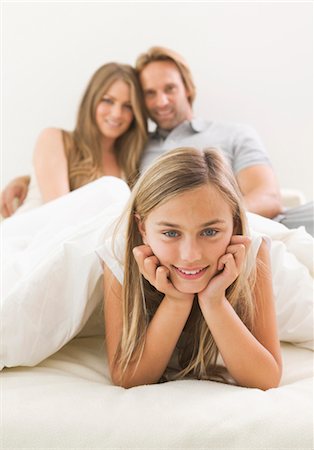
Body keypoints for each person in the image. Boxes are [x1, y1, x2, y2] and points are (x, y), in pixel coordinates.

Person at [1, 47, 313, 237]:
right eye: (149, 93)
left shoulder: (234, 134)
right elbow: (88, 184)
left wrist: (210, 226)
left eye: (170, 89)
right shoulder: (136, 149)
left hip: (252, 226)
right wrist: (29, 178)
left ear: (187, 88)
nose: (161, 101)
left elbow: (269, 198)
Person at [98, 146, 282, 390]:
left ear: (235, 225)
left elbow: (266, 379)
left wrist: (214, 301)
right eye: (171, 233)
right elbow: (128, 377)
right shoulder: (120, 253)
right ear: (142, 229)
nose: (191, 255)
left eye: (209, 232)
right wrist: (177, 300)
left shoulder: (252, 250)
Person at [0, 62, 147, 216]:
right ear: (91, 101)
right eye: (108, 100)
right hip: (33, 237)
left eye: (128, 106)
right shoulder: (55, 139)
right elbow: (60, 214)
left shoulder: (130, 163)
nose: (117, 113)